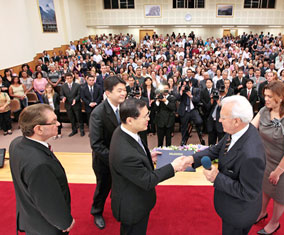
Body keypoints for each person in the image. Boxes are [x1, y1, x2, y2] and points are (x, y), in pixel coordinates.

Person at [182, 95, 266, 235]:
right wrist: (191, 159)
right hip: (229, 203)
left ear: (236, 121)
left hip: (238, 214)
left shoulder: (252, 155)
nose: (219, 120)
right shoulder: (239, 130)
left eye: (223, 117)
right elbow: (216, 150)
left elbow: (248, 192)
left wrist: (217, 178)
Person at [109, 98, 188, 235]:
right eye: (145, 116)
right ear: (130, 120)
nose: (149, 119)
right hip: (132, 206)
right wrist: (173, 167)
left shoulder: (124, 131)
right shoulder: (125, 153)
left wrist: (147, 157)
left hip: (135, 196)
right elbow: (148, 180)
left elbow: (135, 155)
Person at [9, 104, 75, 234]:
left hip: (29, 217)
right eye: (54, 121)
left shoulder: (16, 143)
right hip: (45, 226)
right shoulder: (40, 165)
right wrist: (64, 222)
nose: (59, 124)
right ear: (38, 129)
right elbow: (48, 200)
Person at [251, 80, 284, 235]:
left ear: (280, 98)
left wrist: (278, 172)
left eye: (269, 96)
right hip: (267, 159)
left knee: (280, 196)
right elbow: (251, 129)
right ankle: (261, 213)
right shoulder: (264, 111)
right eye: (265, 95)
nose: (265, 99)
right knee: (265, 189)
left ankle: (274, 223)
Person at [89, 75, 127, 229]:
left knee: (121, 187)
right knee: (103, 187)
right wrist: (114, 159)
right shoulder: (98, 113)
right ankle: (96, 211)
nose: (123, 93)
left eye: (124, 90)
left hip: (123, 158)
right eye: (119, 90)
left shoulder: (125, 108)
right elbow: (96, 145)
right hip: (104, 161)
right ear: (108, 93)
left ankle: (118, 207)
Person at [60, 72, 85, 137]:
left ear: (72, 78)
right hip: (68, 105)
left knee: (79, 118)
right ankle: (74, 130)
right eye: (67, 78)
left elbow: (79, 95)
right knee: (71, 118)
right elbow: (61, 95)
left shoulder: (77, 85)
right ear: (65, 79)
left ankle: (82, 130)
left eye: (70, 78)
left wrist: (75, 99)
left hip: (76, 104)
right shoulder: (63, 86)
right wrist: (63, 98)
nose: (69, 80)